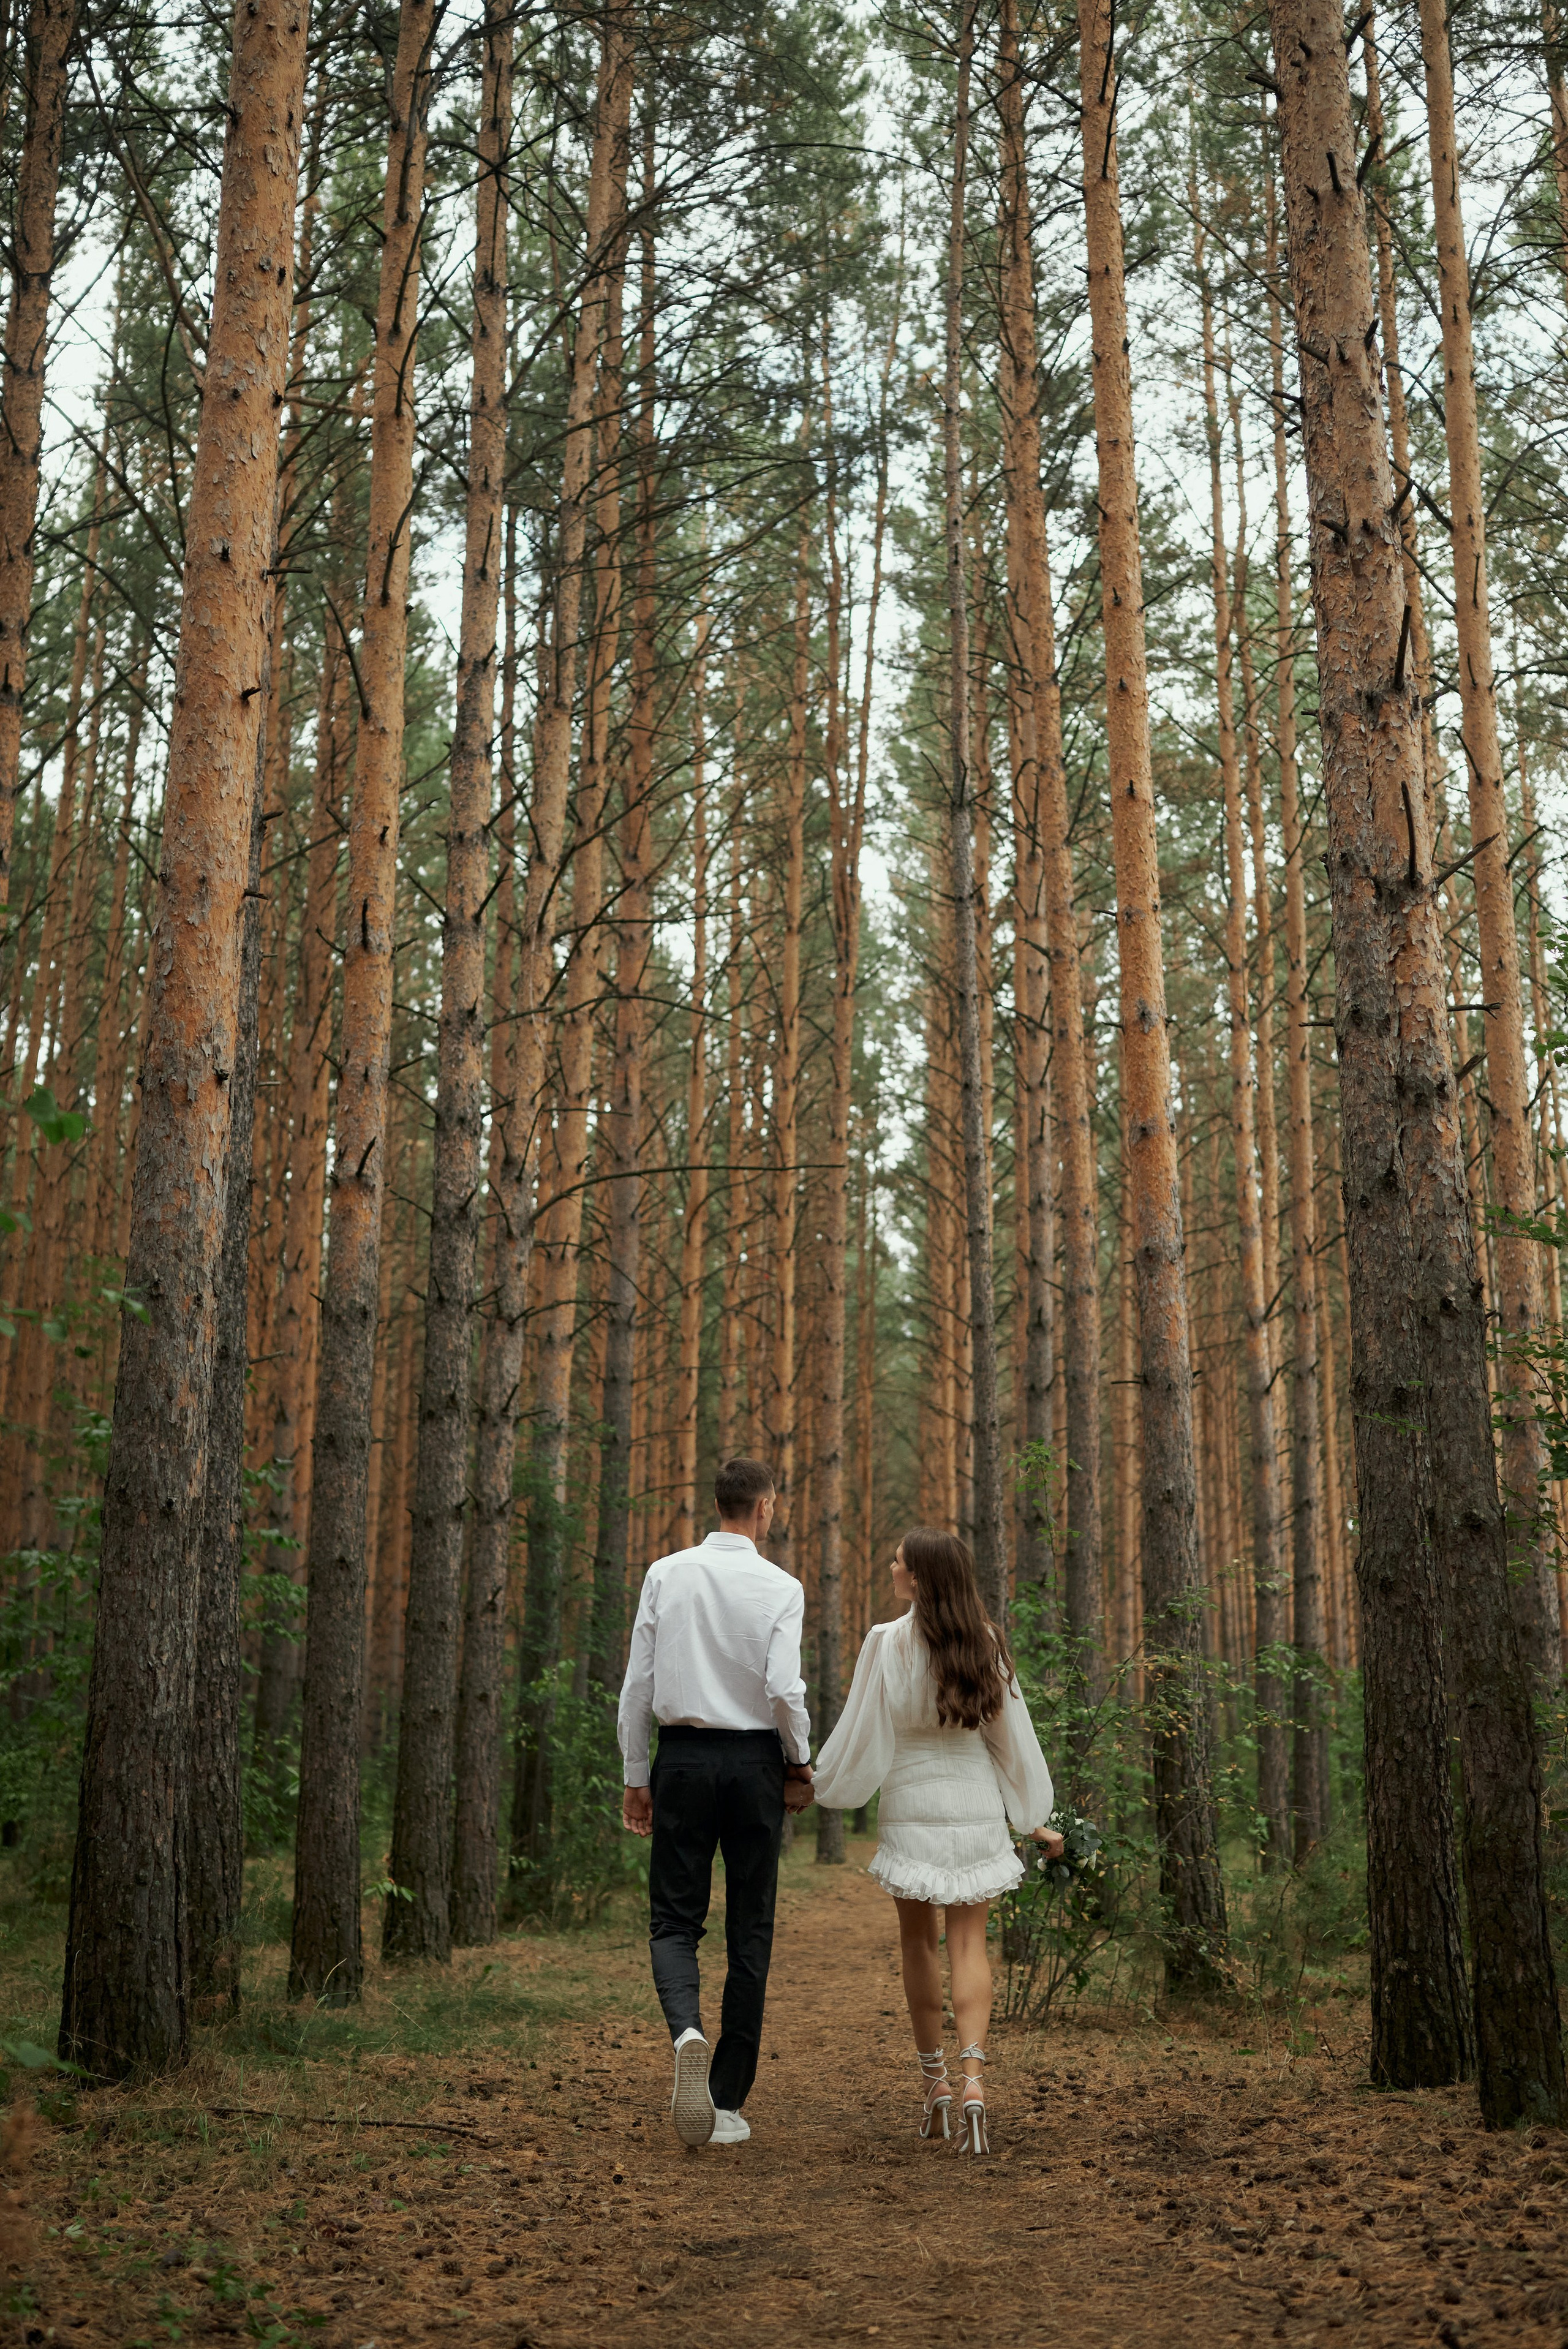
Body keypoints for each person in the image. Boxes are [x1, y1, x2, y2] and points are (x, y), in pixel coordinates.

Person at [812, 1527, 1061, 2155]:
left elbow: (862, 1734)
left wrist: (818, 1784)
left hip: (911, 1801)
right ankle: (975, 2081)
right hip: (974, 1801)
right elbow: (1010, 1740)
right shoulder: (986, 1642)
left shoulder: (885, 1643)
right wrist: (1030, 1816)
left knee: (918, 1943)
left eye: (898, 1561)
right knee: (970, 1943)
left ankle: (936, 2089)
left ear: (918, 1577)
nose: (892, 1566)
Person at [618, 1457, 815, 2149]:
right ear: (765, 1508)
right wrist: (799, 1764)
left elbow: (638, 1683)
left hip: (682, 1758)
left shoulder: (666, 1573)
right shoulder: (781, 1586)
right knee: (750, 1929)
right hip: (756, 1762)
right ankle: (724, 2100)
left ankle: (686, 2032)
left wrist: (635, 1772)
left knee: (674, 1919)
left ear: (716, 1503)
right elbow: (786, 1689)